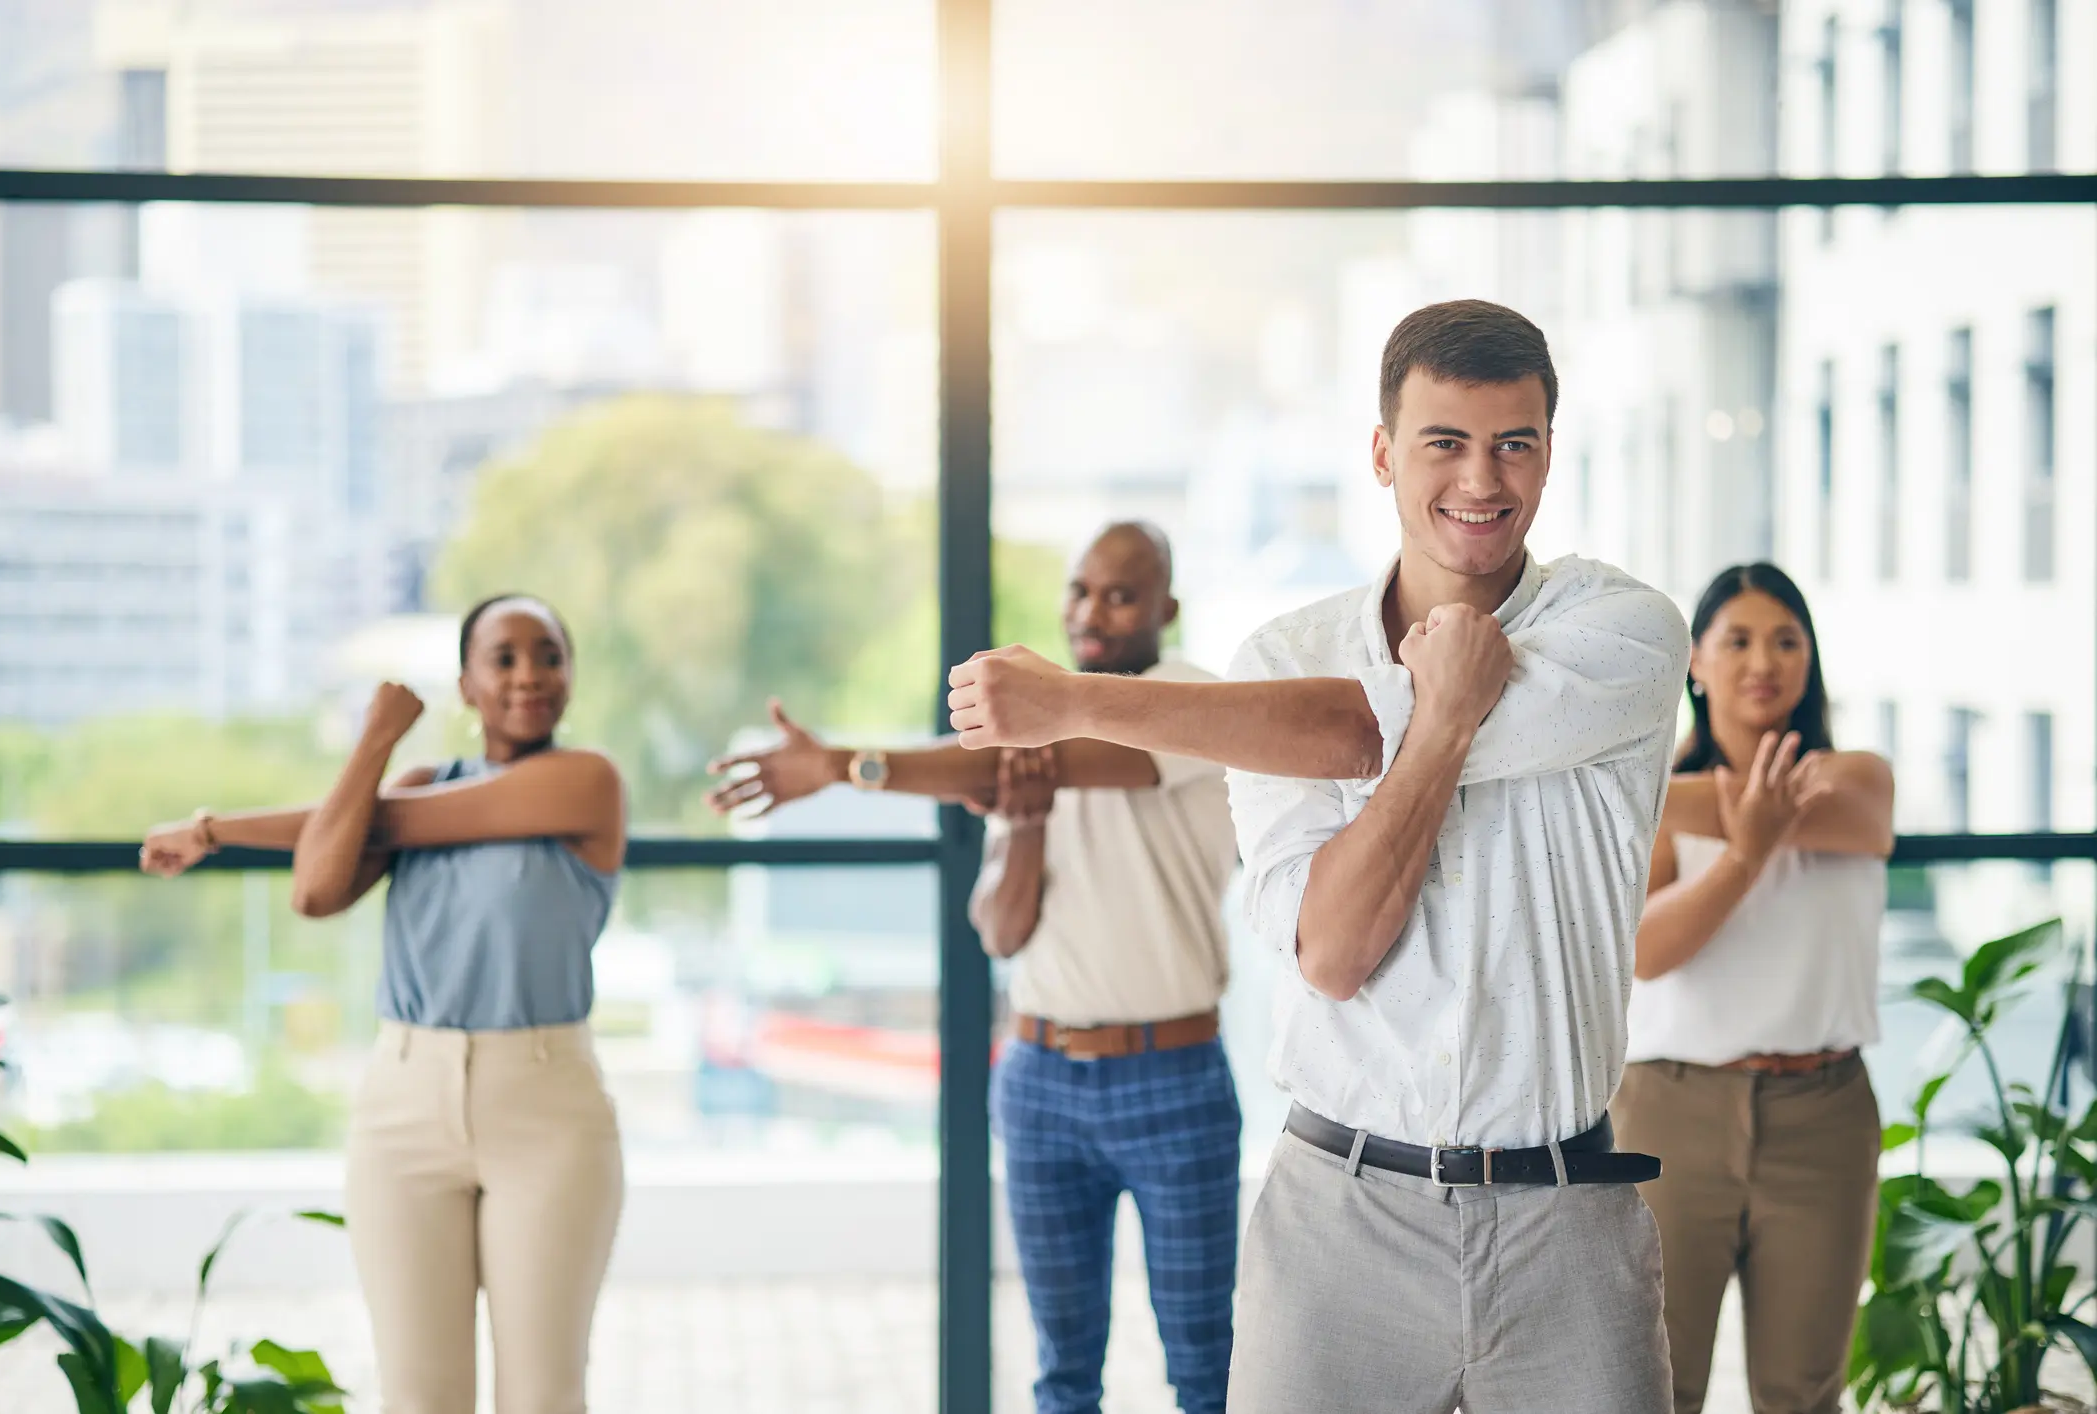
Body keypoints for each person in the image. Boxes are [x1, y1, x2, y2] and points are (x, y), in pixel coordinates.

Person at [944, 300, 1689, 1412]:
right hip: (1339, 1223)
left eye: (1514, 442)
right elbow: (1334, 952)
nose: (1481, 479)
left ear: (1547, 451)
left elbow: (1354, 725)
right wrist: (1442, 723)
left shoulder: (1621, 632)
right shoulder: (1281, 660)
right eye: (1444, 440)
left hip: (1565, 1225)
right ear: (1383, 452)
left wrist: (1069, 703)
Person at [707, 522, 1243, 1414]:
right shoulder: (1035, 742)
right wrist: (1024, 823)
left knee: (1204, 1369)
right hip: (1041, 1081)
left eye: (1121, 594)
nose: (1092, 612)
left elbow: (1069, 765)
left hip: (1172, 1078)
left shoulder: (1183, 698)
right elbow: (1000, 928)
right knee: (1062, 1375)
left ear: (1166, 610)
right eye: (1080, 590)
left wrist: (841, 766)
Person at [139, 594, 627, 1414]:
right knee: (418, 1394)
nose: (529, 675)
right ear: (465, 685)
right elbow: (318, 889)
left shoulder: (586, 782)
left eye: (548, 654)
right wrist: (375, 741)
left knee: (544, 1394)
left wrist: (218, 828)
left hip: (545, 1104)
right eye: (503, 658)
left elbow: (402, 823)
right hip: (404, 1103)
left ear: (571, 676)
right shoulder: (414, 782)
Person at [1611, 563, 1894, 1414]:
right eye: (1736, 641)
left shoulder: (1858, 778)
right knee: (1657, 1385)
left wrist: (1673, 802)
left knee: (1803, 1392)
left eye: (1785, 639)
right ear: (1695, 661)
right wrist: (1746, 848)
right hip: (1673, 1113)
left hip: (1825, 1116)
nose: (1761, 660)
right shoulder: (1662, 798)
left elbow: (1854, 820)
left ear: (1810, 659)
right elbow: (1647, 953)